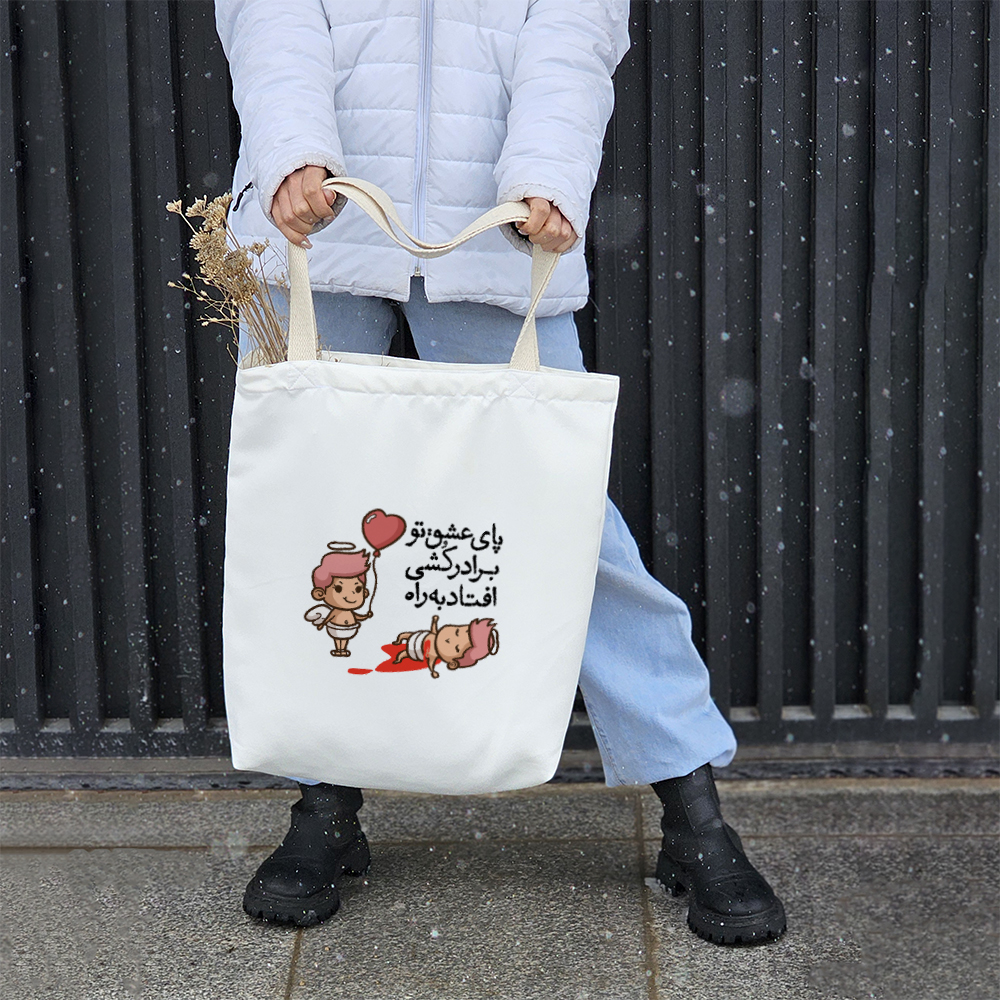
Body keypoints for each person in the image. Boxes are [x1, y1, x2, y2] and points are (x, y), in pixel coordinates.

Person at [216, 0, 786, 945]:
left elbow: (573, 27)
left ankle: (693, 813)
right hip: (315, 229)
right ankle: (323, 804)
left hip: (495, 233)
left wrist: (548, 174)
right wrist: (291, 152)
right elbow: (272, 15)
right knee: (313, 531)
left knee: (568, 529)